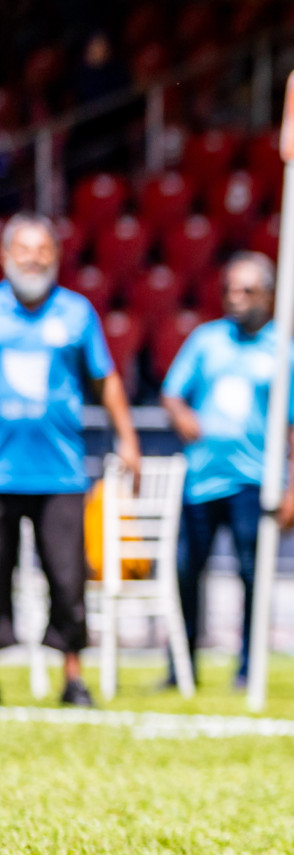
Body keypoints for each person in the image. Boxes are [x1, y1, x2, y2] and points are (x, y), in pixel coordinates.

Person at [0, 212, 141, 706]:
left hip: (59, 470)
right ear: (5, 256)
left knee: (67, 580)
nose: (34, 259)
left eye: (44, 250)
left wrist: (128, 437)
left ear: (56, 257)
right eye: (24, 249)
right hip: (1, 472)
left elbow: (105, 380)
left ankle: (73, 676)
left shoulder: (77, 313)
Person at [161, 252, 294, 690]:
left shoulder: (290, 352)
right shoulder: (206, 340)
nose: (237, 298)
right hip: (201, 480)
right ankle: (181, 666)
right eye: (230, 289)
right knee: (187, 571)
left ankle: (249, 667)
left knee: (253, 576)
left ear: (268, 295)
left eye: (247, 290)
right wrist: (182, 416)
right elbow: (172, 392)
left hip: (255, 483)